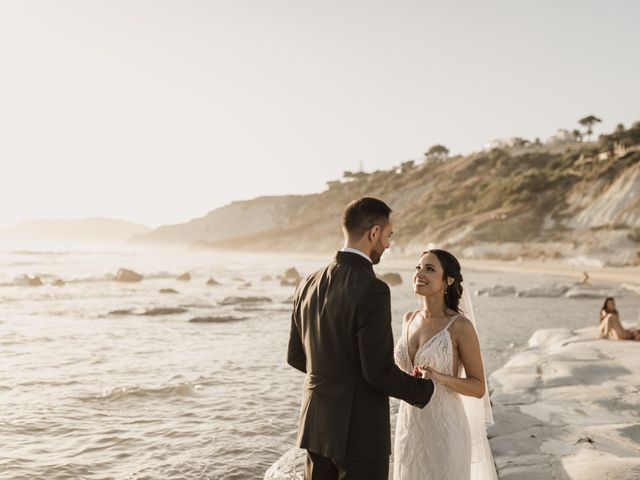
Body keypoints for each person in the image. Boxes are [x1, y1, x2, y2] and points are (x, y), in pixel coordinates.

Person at [287, 197, 435, 480]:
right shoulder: (373, 289)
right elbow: (377, 372)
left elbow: (295, 356)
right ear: (374, 233)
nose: (388, 245)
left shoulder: (307, 282)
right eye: (389, 235)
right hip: (359, 432)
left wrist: (333, 382)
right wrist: (426, 389)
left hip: (315, 423)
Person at [393, 249, 497, 480]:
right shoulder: (408, 319)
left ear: (448, 280)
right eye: (418, 267)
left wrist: (440, 377)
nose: (420, 273)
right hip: (408, 427)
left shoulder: (460, 326)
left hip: (445, 430)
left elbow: (478, 387)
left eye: (430, 269)